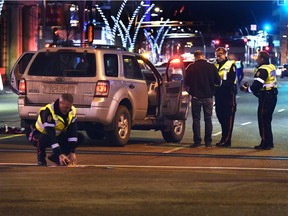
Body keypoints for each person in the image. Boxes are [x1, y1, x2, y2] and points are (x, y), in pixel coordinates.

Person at [29, 93, 85, 166]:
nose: (67, 110)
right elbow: (51, 135)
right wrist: (59, 154)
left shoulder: (72, 110)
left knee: (80, 137)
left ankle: (55, 157)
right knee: (42, 139)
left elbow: (73, 132)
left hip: (57, 135)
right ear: (60, 103)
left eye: (69, 107)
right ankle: (41, 158)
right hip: (40, 135)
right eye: (65, 108)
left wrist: (72, 152)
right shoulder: (48, 112)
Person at [240, 51, 278, 150]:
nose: (256, 60)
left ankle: (266, 143)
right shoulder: (271, 66)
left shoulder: (262, 70)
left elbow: (257, 86)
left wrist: (246, 89)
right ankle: (268, 142)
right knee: (267, 120)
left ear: (261, 59)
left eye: (258, 58)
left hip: (266, 96)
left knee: (263, 120)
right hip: (272, 94)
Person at [185, 50, 221, 148]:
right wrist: (212, 89)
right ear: (203, 56)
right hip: (208, 97)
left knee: (196, 120)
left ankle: (197, 142)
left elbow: (186, 82)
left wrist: (191, 91)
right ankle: (208, 142)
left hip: (196, 97)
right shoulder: (211, 67)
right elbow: (218, 81)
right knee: (208, 120)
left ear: (195, 57)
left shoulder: (191, 67)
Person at [214, 47, 237, 147]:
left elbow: (231, 80)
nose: (219, 57)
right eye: (217, 55)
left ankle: (227, 140)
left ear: (225, 54)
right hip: (219, 94)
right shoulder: (214, 65)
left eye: (220, 55)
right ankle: (224, 138)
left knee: (228, 117)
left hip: (228, 94)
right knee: (220, 116)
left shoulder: (231, 65)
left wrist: (220, 83)